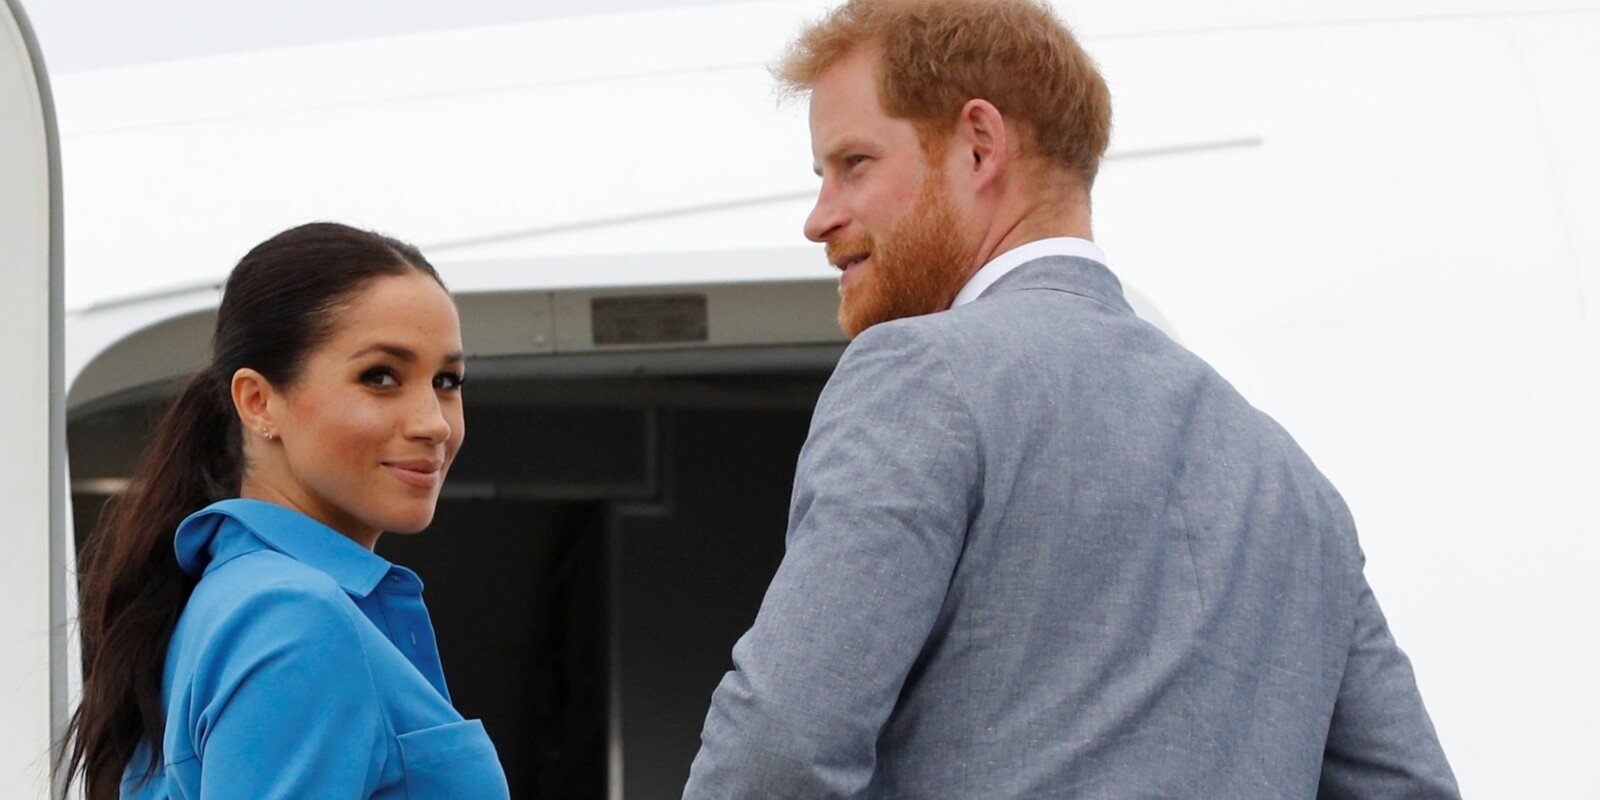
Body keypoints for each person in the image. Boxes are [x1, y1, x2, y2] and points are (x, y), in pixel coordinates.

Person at [684, 1, 1460, 798]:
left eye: (854, 163)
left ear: (979, 146)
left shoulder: (919, 378)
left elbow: (778, 752)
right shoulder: (1289, 481)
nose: (821, 219)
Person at [59, 223, 510, 799]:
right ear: (258, 401)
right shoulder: (293, 618)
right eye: (381, 377)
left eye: (447, 380)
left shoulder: (241, 597)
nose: (434, 422)